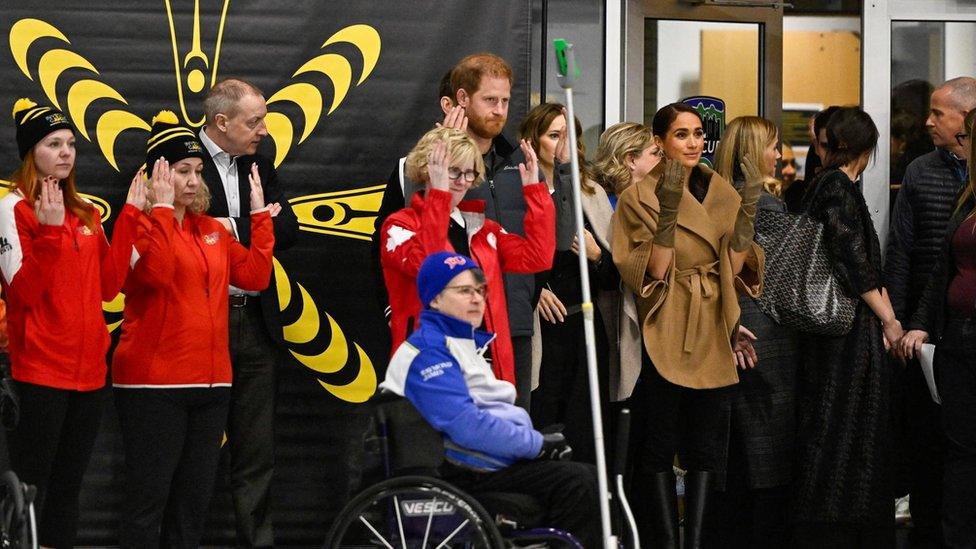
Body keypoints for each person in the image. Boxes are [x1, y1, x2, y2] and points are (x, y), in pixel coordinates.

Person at [112, 111, 275, 548]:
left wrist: (259, 217)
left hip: (211, 382)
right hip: (152, 384)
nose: (191, 180)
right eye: (181, 171)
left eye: (197, 171)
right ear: (156, 176)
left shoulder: (211, 231)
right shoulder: (137, 227)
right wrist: (161, 209)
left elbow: (257, 276)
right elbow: (159, 274)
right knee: (149, 500)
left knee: (193, 502)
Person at [611, 102, 765, 548]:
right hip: (668, 324)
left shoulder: (721, 190)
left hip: (714, 326)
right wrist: (669, 206)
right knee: (659, 444)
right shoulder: (637, 197)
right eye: (681, 134)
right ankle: (664, 541)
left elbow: (733, 265)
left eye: (698, 133)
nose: (694, 142)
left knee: (706, 446)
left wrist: (748, 207)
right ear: (659, 142)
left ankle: (695, 541)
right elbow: (652, 272)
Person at [378, 251, 599, 546]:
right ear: (434, 299)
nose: (476, 298)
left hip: (486, 465)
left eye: (480, 290)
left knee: (584, 476)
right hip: (458, 473)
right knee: (579, 483)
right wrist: (536, 446)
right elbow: (466, 426)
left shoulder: (463, 344)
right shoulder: (428, 351)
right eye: (464, 290)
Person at [0, 97, 138, 549]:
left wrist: (134, 216)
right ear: (30, 152)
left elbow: (108, 286)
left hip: (90, 377)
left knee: (67, 493)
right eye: (53, 143)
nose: (66, 153)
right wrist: (51, 233)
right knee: (30, 493)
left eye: (71, 144)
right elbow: (21, 294)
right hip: (39, 372)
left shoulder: (87, 213)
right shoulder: (12, 209)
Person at [791, 106, 903, 547]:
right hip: (844, 334)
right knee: (846, 429)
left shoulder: (825, 183)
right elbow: (854, 261)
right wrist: (889, 319)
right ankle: (842, 528)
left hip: (837, 330)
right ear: (867, 148)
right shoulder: (837, 186)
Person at [197, 77, 298, 549]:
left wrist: (226, 226)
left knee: (256, 454)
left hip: (257, 320)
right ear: (222, 122)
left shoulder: (261, 157)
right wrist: (256, 223)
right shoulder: (181, 158)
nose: (263, 129)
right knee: (190, 453)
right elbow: (187, 230)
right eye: (253, 121)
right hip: (199, 324)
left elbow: (289, 226)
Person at [379, 126, 553, 386]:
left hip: (486, 364)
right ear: (428, 170)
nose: (462, 181)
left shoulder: (482, 227)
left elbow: (537, 257)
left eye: (469, 173)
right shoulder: (399, 225)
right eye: (453, 171)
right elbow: (432, 269)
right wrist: (437, 195)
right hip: (429, 366)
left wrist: (534, 192)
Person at [517, 103, 640, 464]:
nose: (563, 146)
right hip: (542, 329)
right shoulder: (517, 191)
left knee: (586, 432)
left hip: (586, 326)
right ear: (532, 142)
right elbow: (503, 260)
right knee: (541, 426)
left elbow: (615, 277)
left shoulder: (592, 194)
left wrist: (596, 255)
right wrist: (534, 291)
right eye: (554, 136)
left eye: (569, 137)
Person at [885, 77, 976, 547]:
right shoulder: (921, 169)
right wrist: (898, 320)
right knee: (930, 438)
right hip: (929, 328)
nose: (928, 121)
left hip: (961, 325)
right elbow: (904, 250)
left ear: (966, 119)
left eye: (939, 113)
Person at [705, 116, 799, 548]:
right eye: (772, 146)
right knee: (763, 459)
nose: (778, 155)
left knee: (734, 455)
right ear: (751, 151)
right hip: (762, 337)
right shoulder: (761, 207)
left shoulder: (711, 198)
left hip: (733, 330)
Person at [372, 70, 461, 325]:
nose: (497, 110)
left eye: (503, 100)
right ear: (448, 105)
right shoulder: (409, 169)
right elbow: (384, 244)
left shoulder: (506, 164)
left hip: (494, 321)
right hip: (425, 317)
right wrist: (391, 307)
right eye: (486, 99)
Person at [591, 121, 658, 208]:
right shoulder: (600, 209)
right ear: (631, 160)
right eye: (656, 153)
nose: (664, 159)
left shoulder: (660, 199)